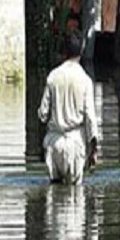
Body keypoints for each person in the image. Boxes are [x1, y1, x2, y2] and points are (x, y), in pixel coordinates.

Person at [38, 31, 100, 184]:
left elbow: (42, 114)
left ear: (64, 51)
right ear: (82, 50)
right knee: (76, 199)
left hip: (53, 143)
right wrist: (94, 149)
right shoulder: (85, 80)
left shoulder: (53, 76)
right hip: (75, 143)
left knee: (54, 196)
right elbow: (90, 118)